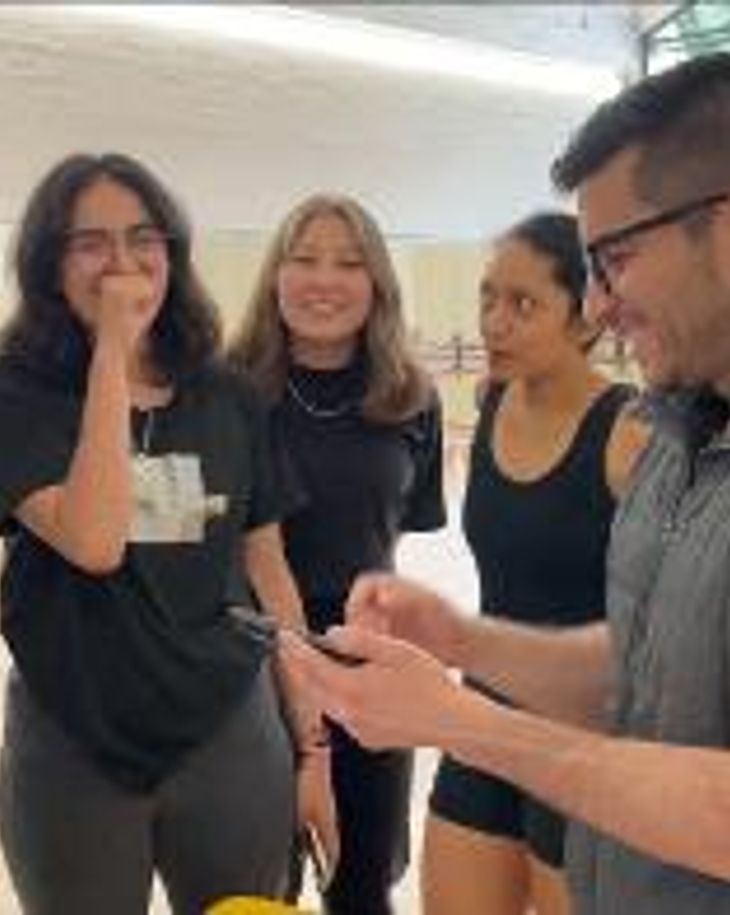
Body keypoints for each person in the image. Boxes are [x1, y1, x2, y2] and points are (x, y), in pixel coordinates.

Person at [282, 51, 730, 915]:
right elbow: (643, 671)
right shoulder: (686, 428)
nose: (596, 307)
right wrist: (466, 643)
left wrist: (456, 720)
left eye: (617, 259)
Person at [0, 153, 332, 915]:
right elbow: (93, 541)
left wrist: (313, 745)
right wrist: (112, 354)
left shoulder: (227, 394)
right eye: (91, 243)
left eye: (144, 238)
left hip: (226, 726)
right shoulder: (13, 395)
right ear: (49, 262)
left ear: (173, 252)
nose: (124, 263)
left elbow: (268, 567)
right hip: (75, 734)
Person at [421, 211, 645, 915]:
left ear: (585, 320)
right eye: (488, 297)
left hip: (582, 736)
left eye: (523, 304)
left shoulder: (630, 432)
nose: (494, 322)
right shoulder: (491, 403)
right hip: (482, 715)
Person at [229, 193, 445, 915]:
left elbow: (394, 532)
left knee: (360, 888)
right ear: (275, 274)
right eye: (305, 258)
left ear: (377, 281)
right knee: (255, 885)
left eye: (349, 262)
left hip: (366, 661)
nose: (325, 279)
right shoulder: (226, 391)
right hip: (244, 662)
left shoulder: (412, 396)